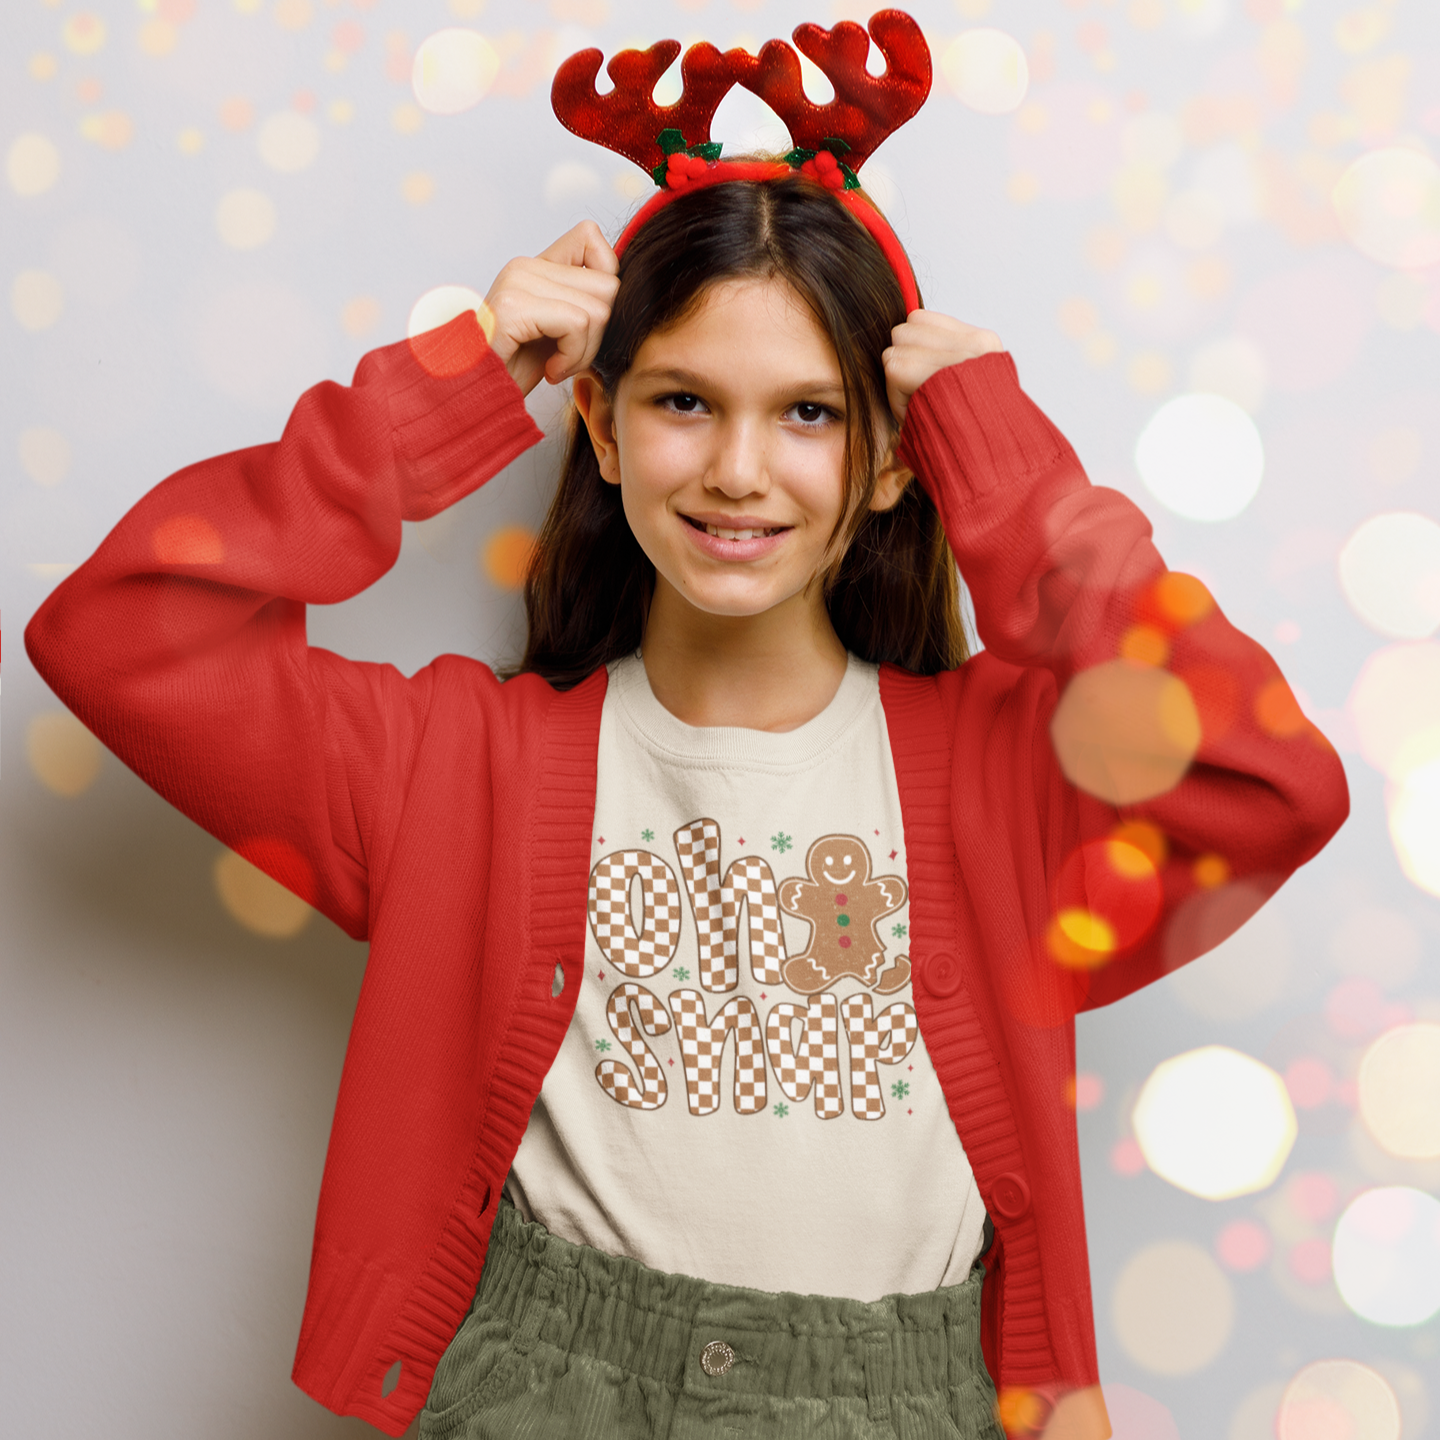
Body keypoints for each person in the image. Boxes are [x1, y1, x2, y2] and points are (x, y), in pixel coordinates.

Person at [24, 53, 1348, 1440]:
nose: (737, 469)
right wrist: (444, 392)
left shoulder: (1007, 776)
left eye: (810, 413)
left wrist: (1006, 473)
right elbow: (118, 634)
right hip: (548, 1395)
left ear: (896, 459)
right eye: (683, 401)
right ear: (599, 427)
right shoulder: (456, 766)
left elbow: (1270, 784)